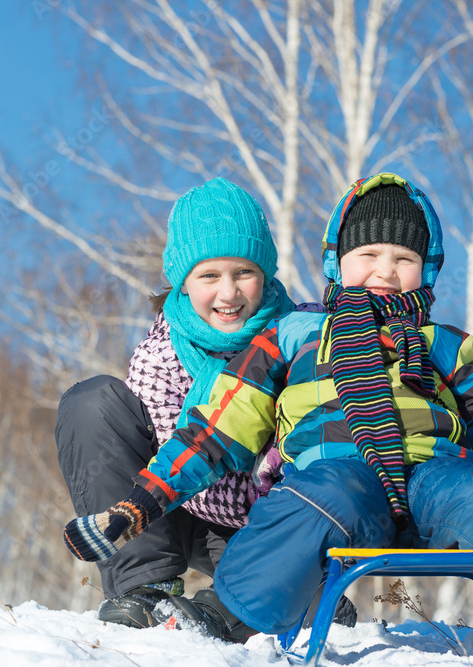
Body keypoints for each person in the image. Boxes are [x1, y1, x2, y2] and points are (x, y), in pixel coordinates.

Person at [63, 173, 473, 658]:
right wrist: (137, 504)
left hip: (440, 481)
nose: (384, 269)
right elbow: (220, 424)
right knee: (315, 500)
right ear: (336, 264)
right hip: (339, 473)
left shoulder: (444, 345)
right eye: (369, 253)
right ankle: (228, 615)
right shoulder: (294, 333)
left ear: (427, 271)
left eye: (404, 257)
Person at [55, 176, 296, 627]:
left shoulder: (297, 338)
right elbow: (170, 457)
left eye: (243, 272)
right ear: (182, 282)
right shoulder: (161, 353)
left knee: (281, 599)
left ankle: (279, 591)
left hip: (264, 521)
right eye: (209, 276)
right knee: (92, 402)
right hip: (174, 509)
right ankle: (144, 585)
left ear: (266, 274)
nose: (228, 293)